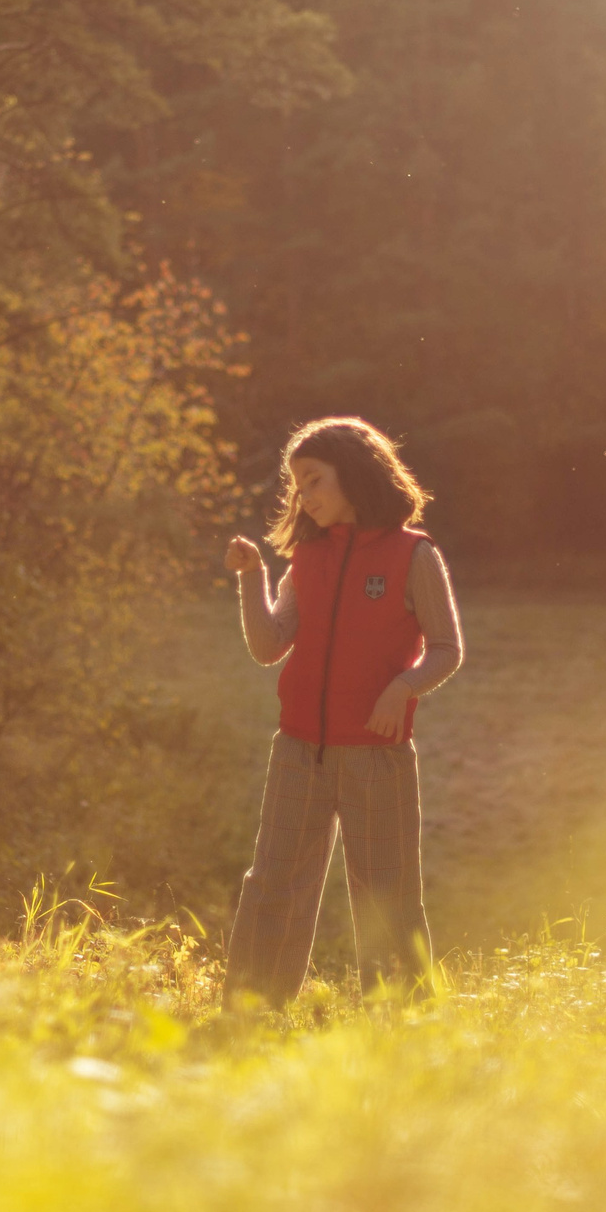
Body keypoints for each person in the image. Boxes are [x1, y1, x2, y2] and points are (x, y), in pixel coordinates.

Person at [221, 416, 463, 1006]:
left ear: (352, 475)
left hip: (377, 757)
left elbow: (448, 650)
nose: (304, 495)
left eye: (313, 480)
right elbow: (268, 646)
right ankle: (249, 1010)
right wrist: (253, 578)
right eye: (297, 485)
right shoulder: (307, 555)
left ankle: (403, 1019)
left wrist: (401, 689)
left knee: (387, 895)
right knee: (272, 884)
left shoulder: (414, 555)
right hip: (299, 750)